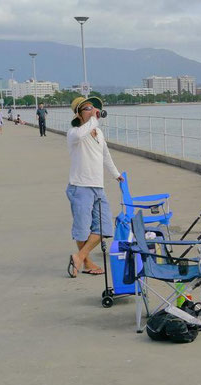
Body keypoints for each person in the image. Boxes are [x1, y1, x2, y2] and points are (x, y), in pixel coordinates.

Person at [65, 96, 124, 277]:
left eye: (94, 108)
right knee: (82, 230)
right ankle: (86, 263)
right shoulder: (74, 133)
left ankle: (79, 256)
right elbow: (83, 132)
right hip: (80, 187)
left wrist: (116, 174)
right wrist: (93, 121)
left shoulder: (98, 133)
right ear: (79, 114)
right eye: (88, 108)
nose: (93, 111)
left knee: (105, 228)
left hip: (98, 187)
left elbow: (106, 155)